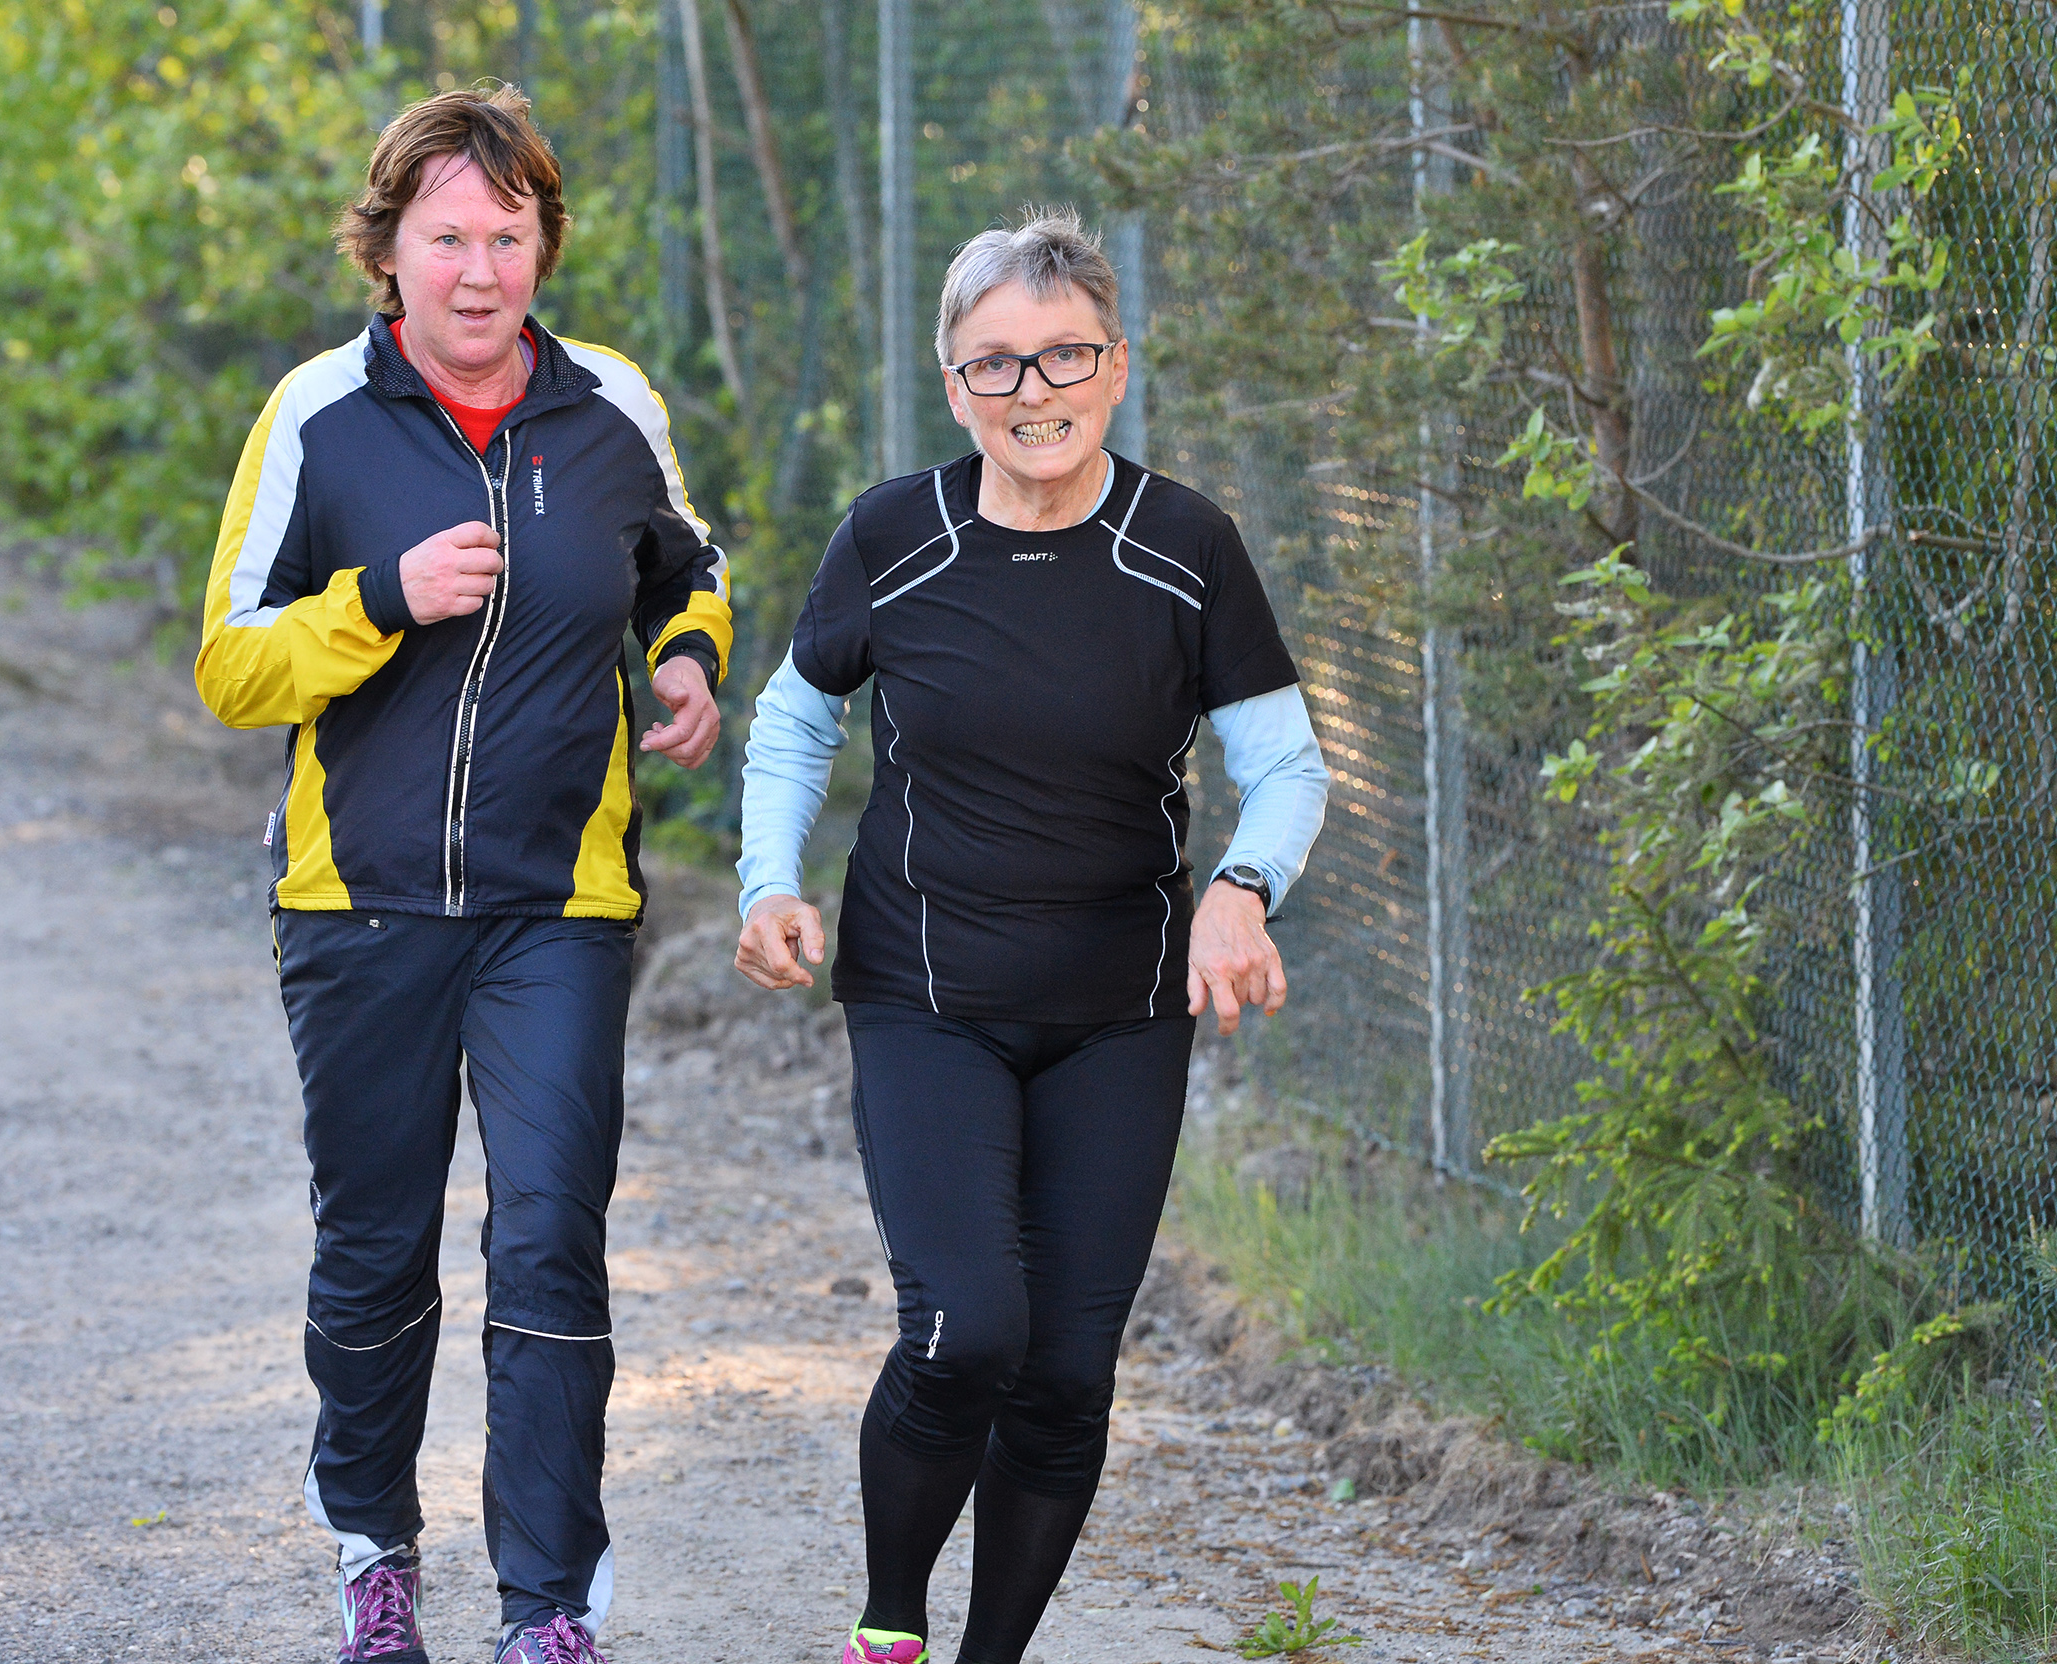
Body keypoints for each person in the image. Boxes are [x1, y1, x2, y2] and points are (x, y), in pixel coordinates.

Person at [733, 209, 1330, 1664]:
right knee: (970, 1331)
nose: (1031, 391)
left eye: (1062, 355)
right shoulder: (894, 536)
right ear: (954, 385)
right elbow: (797, 717)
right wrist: (767, 879)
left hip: (1119, 1014)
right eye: (994, 364)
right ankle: (890, 1626)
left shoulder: (1187, 549)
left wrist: (1243, 888)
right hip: (926, 992)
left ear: (1115, 366)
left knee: (1065, 1376)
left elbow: (1288, 765)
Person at [194, 86, 731, 1664]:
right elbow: (230, 667)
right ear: (391, 247)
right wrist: (380, 597)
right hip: (354, 907)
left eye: (509, 235)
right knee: (377, 1249)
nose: (480, 269)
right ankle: (374, 1549)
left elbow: (683, 560)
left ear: (544, 242)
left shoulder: (611, 404)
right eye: (448, 236)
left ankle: (548, 1605)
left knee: (552, 1233)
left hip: (558, 907)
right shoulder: (316, 417)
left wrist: (690, 658)